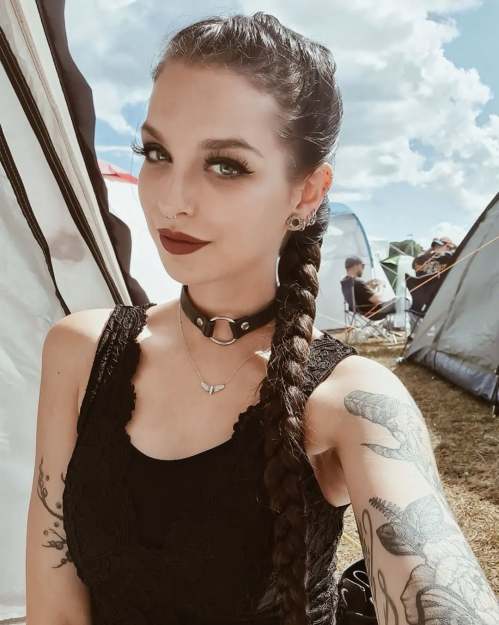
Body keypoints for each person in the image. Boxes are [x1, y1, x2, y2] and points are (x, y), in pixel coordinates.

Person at [25, 12, 498, 625]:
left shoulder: (350, 398)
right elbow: (55, 605)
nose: (172, 199)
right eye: (157, 153)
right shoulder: (81, 352)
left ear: (306, 193)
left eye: (226, 165)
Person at [340, 255, 409, 321]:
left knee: (397, 299)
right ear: (355, 266)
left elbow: (361, 295)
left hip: (364, 312)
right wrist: (381, 287)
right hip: (376, 312)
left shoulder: (345, 282)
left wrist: (368, 287)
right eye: (362, 266)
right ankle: (402, 324)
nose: (363, 269)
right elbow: (378, 300)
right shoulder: (358, 283)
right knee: (404, 299)